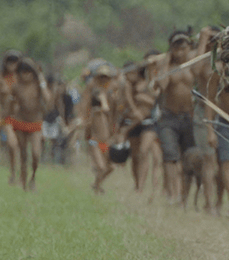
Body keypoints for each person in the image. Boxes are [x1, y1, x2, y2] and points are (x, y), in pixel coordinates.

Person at [151, 30, 211, 205]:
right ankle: (173, 193)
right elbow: (161, 86)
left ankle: (185, 196)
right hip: (169, 117)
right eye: (176, 48)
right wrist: (164, 63)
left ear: (188, 48)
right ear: (171, 49)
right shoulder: (168, 68)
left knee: (191, 157)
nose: (180, 52)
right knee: (170, 156)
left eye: (183, 47)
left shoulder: (195, 66)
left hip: (190, 118)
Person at [199, 30, 229, 217]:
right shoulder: (218, 70)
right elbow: (209, 100)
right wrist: (210, 130)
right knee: (226, 163)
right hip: (224, 123)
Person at [3, 57, 52, 191]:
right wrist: (7, 116)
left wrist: (42, 82)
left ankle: (33, 177)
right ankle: (23, 181)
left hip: (35, 123)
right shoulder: (16, 86)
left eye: (29, 72)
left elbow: (49, 101)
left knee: (36, 154)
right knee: (23, 154)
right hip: (20, 122)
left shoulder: (38, 85)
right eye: (23, 72)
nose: (26, 76)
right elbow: (9, 104)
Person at [121, 58, 162, 197]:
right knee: (135, 155)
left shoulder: (147, 84)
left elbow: (152, 102)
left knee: (144, 151)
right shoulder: (127, 87)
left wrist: (142, 100)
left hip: (148, 122)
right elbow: (127, 104)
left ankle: (142, 186)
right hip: (133, 122)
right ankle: (137, 183)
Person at [80, 63, 120, 193]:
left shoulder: (112, 93)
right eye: (101, 77)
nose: (103, 80)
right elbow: (88, 107)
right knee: (102, 167)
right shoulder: (95, 104)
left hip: (106, 139)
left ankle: (96, 185)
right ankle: (96, 186)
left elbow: (113, 113)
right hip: (95, 140)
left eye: (105, 78)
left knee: (111, 167)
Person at [0, 50, 21, 185]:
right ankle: (13, 172)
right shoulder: (0, 79)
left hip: (22, 116)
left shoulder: (23, 78)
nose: (12, 65)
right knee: (11, 143)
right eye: (10, 62)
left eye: (15, 62)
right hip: (7, 116)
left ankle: (22, 172)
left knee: (21, 145)